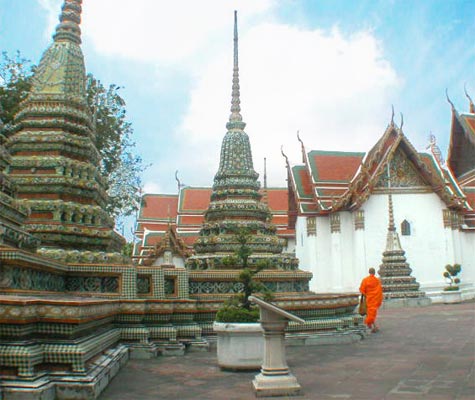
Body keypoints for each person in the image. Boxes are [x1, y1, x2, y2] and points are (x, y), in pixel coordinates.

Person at [359, 267, 383, 333]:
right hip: (374, 299)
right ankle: (373, 326)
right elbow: (379, 291)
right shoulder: (377, 280)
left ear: (369, 272)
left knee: (369, 312)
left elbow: (362, 290)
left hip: (368, 299)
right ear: (374, 272)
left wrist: (366, 295)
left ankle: (371, 325)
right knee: (371, 312)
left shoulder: (365, 280)